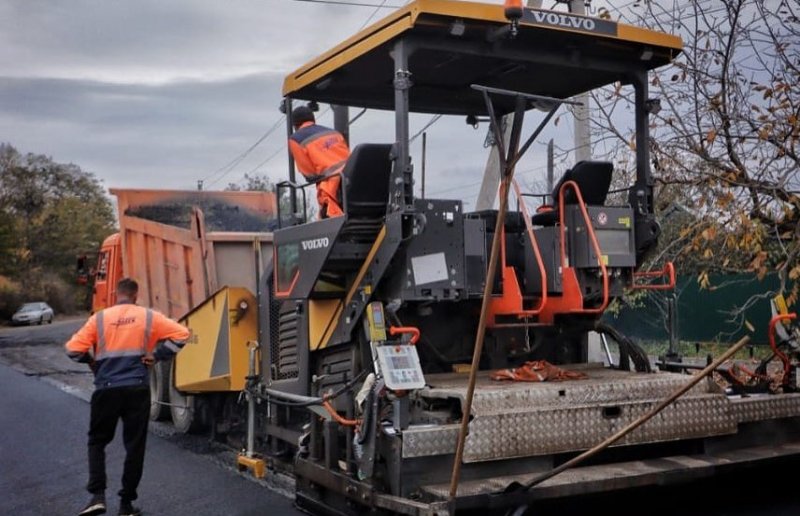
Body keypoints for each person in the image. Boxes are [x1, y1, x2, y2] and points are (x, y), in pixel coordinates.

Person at [65, 278, 190, 516]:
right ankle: (125, 505)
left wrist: (91, 361)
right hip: (137, 389)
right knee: (135, 446)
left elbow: (72, 349)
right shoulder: (148, 316)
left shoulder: (100, 319)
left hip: (106, 389)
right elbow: (182, 334)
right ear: (135, 295)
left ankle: (97, 496)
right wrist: (158, 355)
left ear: (116, 294)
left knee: (97, 441)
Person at [288, 105, 350, 218]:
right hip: (354, 181)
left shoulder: (296, 139)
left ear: (295, 125)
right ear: (313, 119)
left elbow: (309, 174)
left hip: (333, 190)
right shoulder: (334, 133)